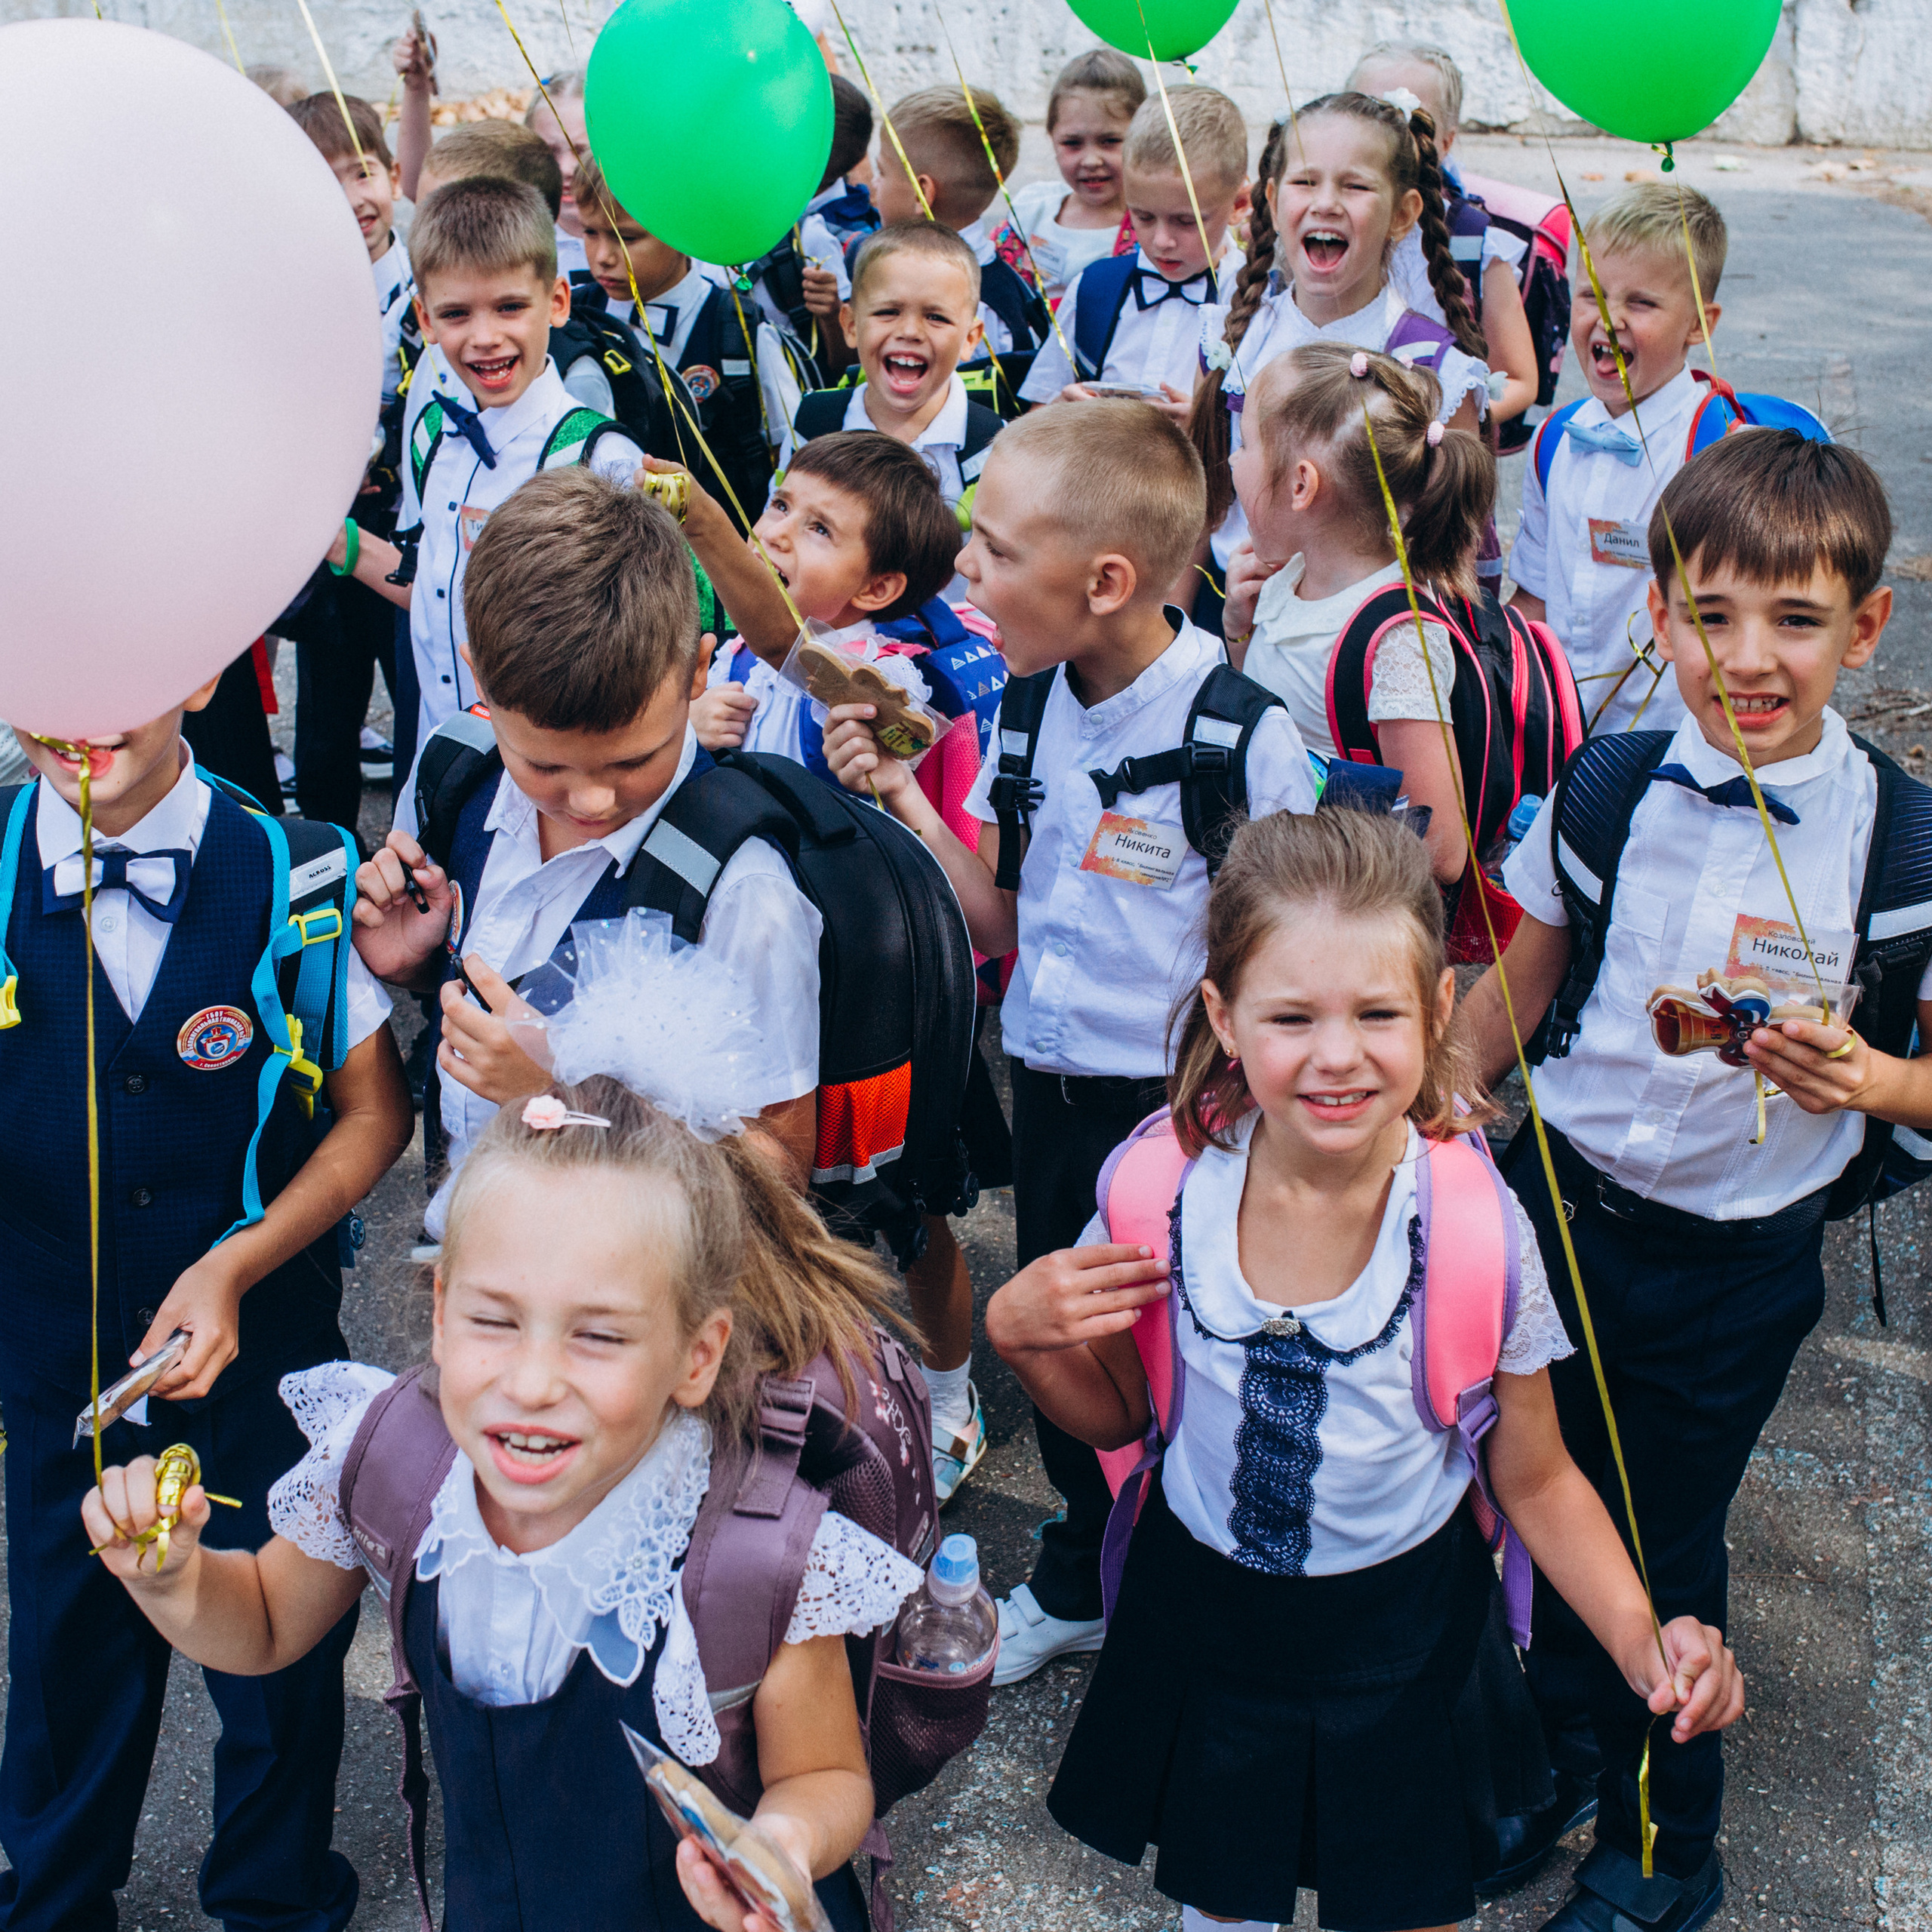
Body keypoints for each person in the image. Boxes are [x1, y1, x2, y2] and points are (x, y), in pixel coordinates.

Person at [986, 804, 1744, 1932]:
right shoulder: (1160, 1195)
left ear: (1440, 1008)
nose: (1337, 1054)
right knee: (1223, 1899)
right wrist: (1019, 1336)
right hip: (1207, 1615)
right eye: (1291, 1015)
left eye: (1378, 1012)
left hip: (1407, 1640)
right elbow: (1120, 1420)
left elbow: (1535, 1477)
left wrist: (1646, 1641)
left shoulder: (1477, 1232)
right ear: (1224, 1018)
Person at [81, 1067, 925, 1932]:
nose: (531, 1382)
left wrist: (778, 1846)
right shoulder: (399, 1466)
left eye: (598, 1335)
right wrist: (173, 1580)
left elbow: (826, 1776)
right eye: (494, 1320)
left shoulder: (751, 1554)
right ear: (442, 1312)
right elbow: (261, 1622)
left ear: (697, 1354)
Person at [1459, 433, 1914, 1932]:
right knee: (1530, 1490)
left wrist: (1876, 1080)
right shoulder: (1605, 785)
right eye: (1708, 613)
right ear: (1655, 614)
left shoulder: (1899, 848)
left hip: (1734, 1258)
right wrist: (1428, 1111)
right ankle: (1557, 1751)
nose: (1745, 656)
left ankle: (1661, 1847)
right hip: (1555, 1214)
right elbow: (1513, 994)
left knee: (1655, 1529)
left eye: (1792, 620)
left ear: (1862, 627)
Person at [823, 400, 1319, 1680]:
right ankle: (1085, 1557)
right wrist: (900, 795)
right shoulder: (1030, 712)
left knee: (1192, 1348)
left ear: (1105, 581)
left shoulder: (1237, 736)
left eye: (990, 552)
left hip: (1185, 1114)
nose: (964, 575)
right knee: (1053, 1340)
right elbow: (1000, 919)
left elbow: (1294, 959)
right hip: (1047, 1089)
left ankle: (1200, 1571)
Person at [0, 693, 412, 1930]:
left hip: (267, 1357)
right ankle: (56, 1899)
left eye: (114, 676)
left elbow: (371, 1113)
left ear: (197, 672)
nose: (74, 715)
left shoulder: (299, 873)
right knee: (65, 1648)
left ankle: (275, 1897)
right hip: (48, 1363)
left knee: (279, 1670)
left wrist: (239, 1261)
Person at [351, 468, 823, 1239]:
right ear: (479, 681)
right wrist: (415, 965)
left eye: (632, 760)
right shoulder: (453, 771)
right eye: (544, 767)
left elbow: (778, 1176)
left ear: (698, 671)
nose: (592, 801)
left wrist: (560, 1098)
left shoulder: (743, 893)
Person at [675, 430, 1010, 1503]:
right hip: (761, 980)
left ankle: (952, 1395)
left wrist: (704, 525)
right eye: (778, 505)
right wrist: (698, 730)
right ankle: (784, 1398)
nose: (780, 532)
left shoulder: (885, 672)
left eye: (816, 528)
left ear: (880, 586)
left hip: (882, 994)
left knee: (911, 1215)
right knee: (770, 1199)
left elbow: (791, 648)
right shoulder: (741, 657)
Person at [315, 177, 649, 785]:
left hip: (546, 780)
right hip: (435, 764)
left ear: (557, 302)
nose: (485, 336)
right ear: (425, 318)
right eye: (456, 314)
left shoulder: (599, 456)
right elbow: (431, 589)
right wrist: (336, 540)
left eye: (510, 307)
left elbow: (641, 648)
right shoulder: (431, 435)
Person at [1189, 91, 1491, 633]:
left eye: (1354, 185)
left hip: (1373, 640)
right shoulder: (1232, 339)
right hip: (1233, 619)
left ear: (1403, 214)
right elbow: (1196, 509)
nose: (1326, 202)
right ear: (1275, 199)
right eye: (1306, 182)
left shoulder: (1435, 367)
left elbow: (1452, 558)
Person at [1223, 343, 1494, 884]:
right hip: (1277, 888)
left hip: (1336, 911)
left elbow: (1441, 850)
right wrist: (1239, 629)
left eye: (1246, 444)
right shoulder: (1289, 576)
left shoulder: (1398, 641)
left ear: (1301, 485)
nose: (1233, 460)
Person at [1508, 183, 1726, 738]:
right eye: (1593, 296)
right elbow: (1534, 594)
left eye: (1641, 302)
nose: (1609, 319)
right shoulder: (1554, 440)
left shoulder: (1715, 448)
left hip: (1670, 741)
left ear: (1699, 324)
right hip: (1557, 736)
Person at [285, 91, 409, 838]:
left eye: (361, 172)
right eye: (325, 178)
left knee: (417, 690)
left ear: (392, 174)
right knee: (325, 717)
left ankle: (419, 846)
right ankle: (322, 856)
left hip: (402, 526)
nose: (352, 197)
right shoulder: (297, 287)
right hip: (326, 532)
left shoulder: (426, 280)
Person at [574, 152, 795, 527]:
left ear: (682, 230)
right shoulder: (576, 314)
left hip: (714, 554)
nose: (601, 257)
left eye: (625, 237)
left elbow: (790, 448)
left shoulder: (738, 328)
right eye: (589, 232)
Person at [1020, 84, 1246, 423]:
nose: (1162, 241)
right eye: (1143, 217)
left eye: (1186, 221)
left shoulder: (1259, 300)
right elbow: (1034, 416)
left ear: (1239, 205)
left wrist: (1208, 427)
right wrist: (1063, 412)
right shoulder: (1096, 287)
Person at [1348, 42, 1541, 431]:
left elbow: (1521, 381)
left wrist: (1436, 430)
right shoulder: (1322, 231)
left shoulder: (1472, 244)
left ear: (1446, 142)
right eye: (1364, 114)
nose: (1383, 141)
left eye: (1407, 124)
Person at [794, 222, 1001, 537]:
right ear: (850, 325)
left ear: (970, 339)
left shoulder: (992, 447)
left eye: (936, 317)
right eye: (888, 311)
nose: (910, 332)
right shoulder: (814, 423)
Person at [872, 85, 1051, 409]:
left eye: (881, 172)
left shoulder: (983, 307)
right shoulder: (1004, 284)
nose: (874, 186)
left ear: (920, 193)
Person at [1000, 49, 1144, 303]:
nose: (1091, 161)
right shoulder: (1031, 213)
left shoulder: (1151, 228)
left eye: (1110, 141)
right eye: (1072, 143)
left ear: (1142, 137)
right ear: (1052, 138)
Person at [525, 67, 590, 281]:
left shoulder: (652, 233)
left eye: (581, 151)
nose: (564, 168)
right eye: (549, 151)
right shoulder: (520, 238)